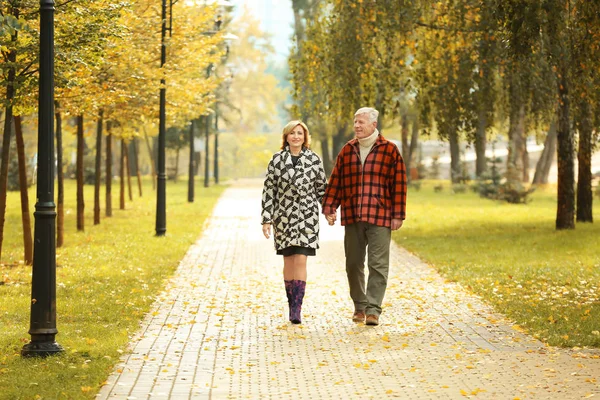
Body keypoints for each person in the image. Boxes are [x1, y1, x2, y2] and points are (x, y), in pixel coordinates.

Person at [322, 107, 407, 326]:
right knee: (353, 263)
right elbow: (336, 182)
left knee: (378, 264)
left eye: (361, 122)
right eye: (355, 122)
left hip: (380, 216)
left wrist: (398, 215)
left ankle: (373, 309)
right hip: (353, 215)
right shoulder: (348, 150)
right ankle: (359, 306)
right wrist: (330, 207)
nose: (357, 126)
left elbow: (399, 184)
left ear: (373, 125)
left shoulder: (389, 150)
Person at [261, 120, 327, 324]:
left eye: (300, 133)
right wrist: (266, 219)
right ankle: (291, 303)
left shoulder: (314, 159)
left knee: (301, 259)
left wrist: (329, 210)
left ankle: (297, 308)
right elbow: (268, 190)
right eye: (292, 133)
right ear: (286, 137)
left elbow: (321, 188)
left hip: (307, 217)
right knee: (289, 260)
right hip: (284, 217)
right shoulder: (276, 160)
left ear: (305, 137)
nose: (296, 136)